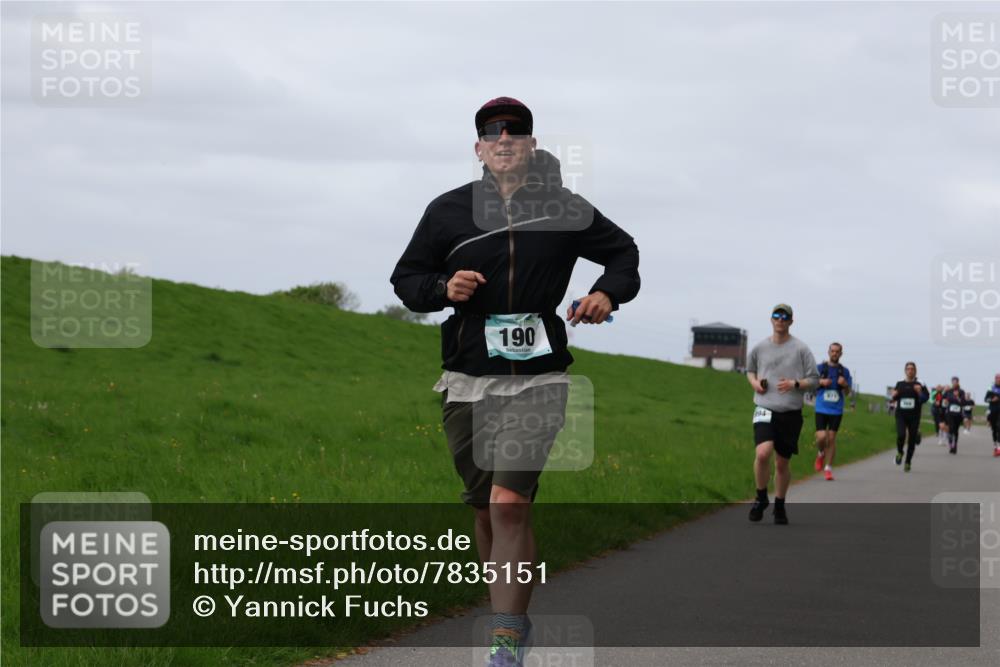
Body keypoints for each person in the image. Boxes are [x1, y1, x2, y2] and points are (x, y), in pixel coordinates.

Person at [390, 96, 640, 667]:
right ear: (478, 148)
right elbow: (407, 277)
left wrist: (607, 293)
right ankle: (512, 618)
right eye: (492, 134)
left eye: (516, 134)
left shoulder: (563, 207)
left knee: (509, 503)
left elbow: (623, 252)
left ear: (530, 144)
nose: (504, 141)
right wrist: (441, 289)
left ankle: (503, 639)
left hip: (539, 376)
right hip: (467, 373)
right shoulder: (447, 211)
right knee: (484, 508)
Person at [746, 304, 819, 525]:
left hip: (790, 412)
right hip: (764, 407)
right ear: (771, 319)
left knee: (781, 463)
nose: (780, 319)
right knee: (762, 453)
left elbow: (814, 380)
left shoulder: (801, 349)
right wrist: (756, 383)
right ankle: (760, 497)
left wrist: (795, 383)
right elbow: (750, 371)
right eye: (776, 316)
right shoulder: (759, 348)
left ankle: (779, 504)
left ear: (790, 321)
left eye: (784, 316)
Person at [813, 342, 852, 481]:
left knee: (831, 438)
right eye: (832, 351)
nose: (835, 353)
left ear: (841, 354)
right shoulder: (820, 368)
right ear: (828, 352)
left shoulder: (845, 372)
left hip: (836, 410)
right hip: (821, 407)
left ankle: (828, 468)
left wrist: (845, 385)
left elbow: (848, 393)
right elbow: (811, 384)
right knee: (822, 437)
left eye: (837, 351)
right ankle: (820, 453)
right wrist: (821, 382)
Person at [890, 362, 929, 472]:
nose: (910, 371)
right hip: (901, 415)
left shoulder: (920, 384)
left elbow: (925, 399)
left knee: (912, 439)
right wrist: (893, 396)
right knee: (901, 435)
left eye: (912, 369)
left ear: (915, 371)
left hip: (914, 416)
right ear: (905, 371)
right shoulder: (900, 384)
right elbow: (893, 398)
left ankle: (908, 462)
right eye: (908, 369)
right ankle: (900, 452)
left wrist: (920, 392)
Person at [941, 377, 967, 455]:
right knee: (951, 428)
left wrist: (957, 397)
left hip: (958, 414)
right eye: (953, 382)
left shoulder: (961, 391)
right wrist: (944, 401)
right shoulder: (948, 391)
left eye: (956, 381)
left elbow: (963, 403)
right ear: (952, 382)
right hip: (950, 413)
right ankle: (950, 444)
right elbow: (943, 399)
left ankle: (955, 445)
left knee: (955, 430)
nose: (954, 383)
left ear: (958, 382)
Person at [985, 373, 1000, 456]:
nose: (998, 380)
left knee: (999, 427)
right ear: (995, 379)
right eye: (997, 378)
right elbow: (985, 399)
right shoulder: (991, 388)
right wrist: (992, 399)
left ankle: (999, 448)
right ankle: (995, 445)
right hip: (993, 411)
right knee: (994, 429)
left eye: (999, 378)